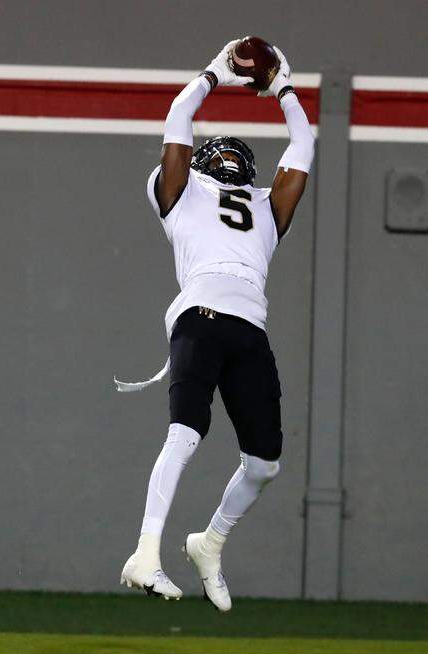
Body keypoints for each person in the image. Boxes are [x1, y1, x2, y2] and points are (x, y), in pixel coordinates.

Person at [118, 40, 314, 611]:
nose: (228, 160)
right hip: (200, 317)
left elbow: (303, 147)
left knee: (265, 463)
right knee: (186, 432)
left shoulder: (264, 207)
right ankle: (146, 550)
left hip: (250, 328)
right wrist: (215, 75)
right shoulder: (183, 193)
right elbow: (179, 119)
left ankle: (211, 541)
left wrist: (280, 86)